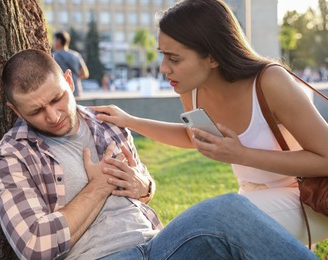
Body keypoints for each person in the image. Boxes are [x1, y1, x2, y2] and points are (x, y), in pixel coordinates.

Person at [0, 49, 316, 260]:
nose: (53, 115)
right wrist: (99, 185)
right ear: (15, 110)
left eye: (57, 99)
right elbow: (35, 247)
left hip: (159, 244)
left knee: (228, 209)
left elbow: (144, 189)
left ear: (70, 81)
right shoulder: (11, 157)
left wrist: (141, 185)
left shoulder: (107, 122)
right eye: (36, 111)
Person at [91, 0, 328, 246]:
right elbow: (190, 137)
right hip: (250, 199)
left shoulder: (270, 81)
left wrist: (243, 155)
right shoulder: (191, 89)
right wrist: (130, 121)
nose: (163, 68)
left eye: (174, 58)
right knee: (194, 233)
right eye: (163, 55)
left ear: (213, 57)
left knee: (204, 230)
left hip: (308, 198)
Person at [53, 31, 89, 97]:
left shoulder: (54, 57)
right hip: (76, 91)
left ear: (58, 41)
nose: (53, 43)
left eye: (54, 40)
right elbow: (85, 73)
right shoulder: (76, 55)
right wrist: (74, 78)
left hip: (61, 93)